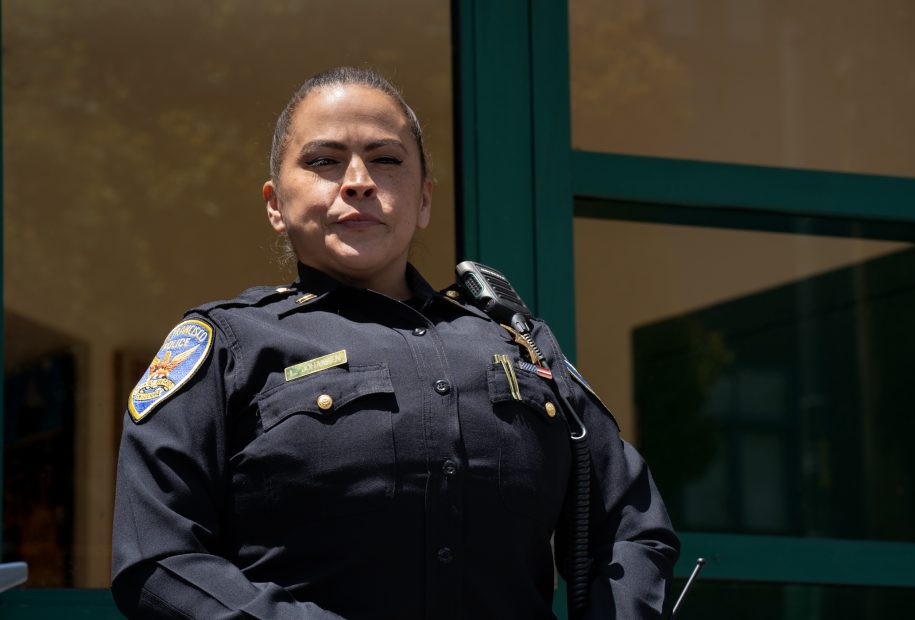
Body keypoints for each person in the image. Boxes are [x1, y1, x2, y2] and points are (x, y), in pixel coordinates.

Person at [111, 67, 679, 619]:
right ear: (274, 204)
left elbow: (631, 526)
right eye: (322, 161)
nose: (358, 180)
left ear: (425, 200)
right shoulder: (226, 346)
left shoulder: (519, 344)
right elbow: (158, 560)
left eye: (386, 160)